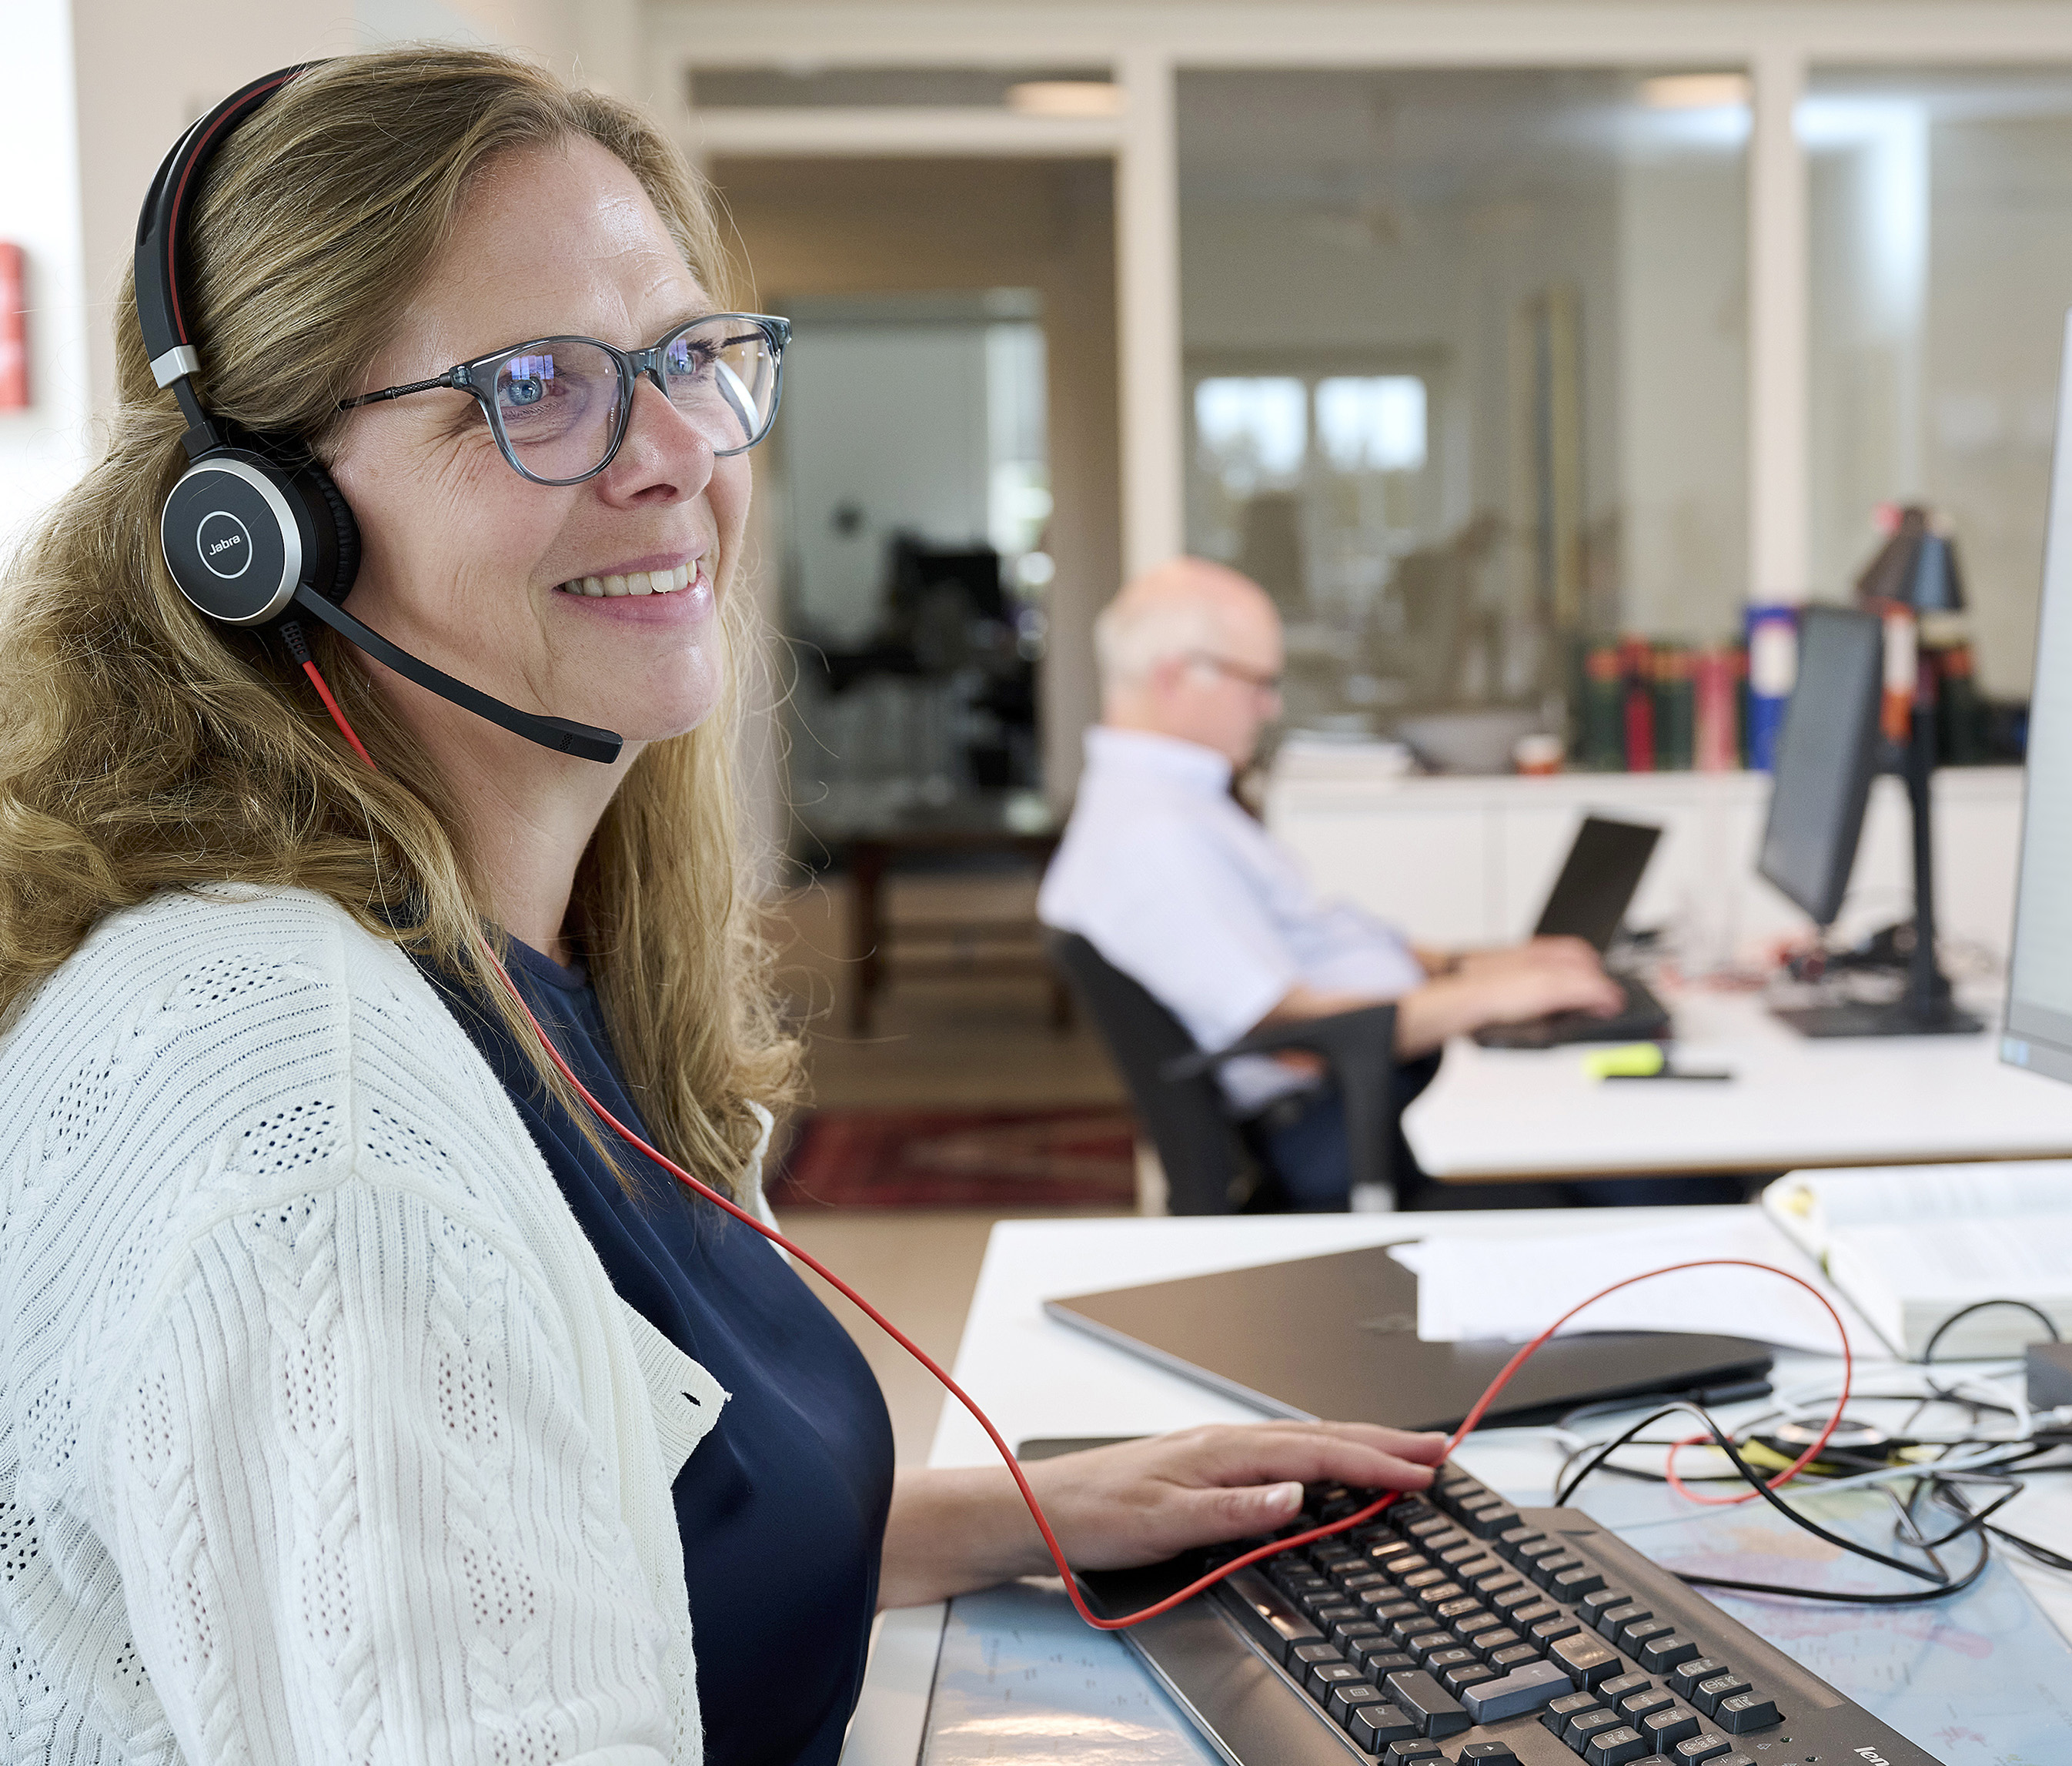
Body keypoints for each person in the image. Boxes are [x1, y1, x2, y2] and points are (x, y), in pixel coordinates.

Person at [0, 49, 1444, 1766]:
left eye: (689, 357)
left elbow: (596, 1552)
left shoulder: (515, 958)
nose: (679, 452)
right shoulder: (314, 1117)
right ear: (256, 524)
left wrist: (1013, 1512)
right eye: (535, 383)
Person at [1039, 559, 1633, 1209]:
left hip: (1374, 1083)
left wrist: (1480, 965)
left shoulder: (1177, 802)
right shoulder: (1153, 837)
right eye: (1258, 682)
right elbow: (1292, 1029)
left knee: (1613, 1129)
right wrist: (1489, 996)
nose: (1272, 705)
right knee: (1637, 1169)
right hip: (1340, 1122)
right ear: (1178, 676)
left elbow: (1320, 944)